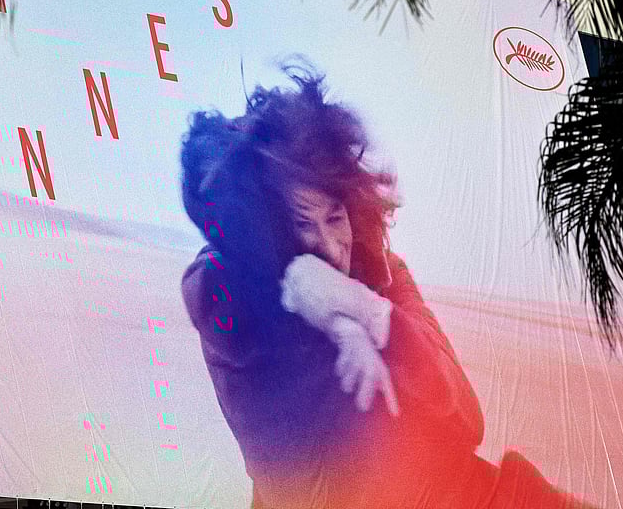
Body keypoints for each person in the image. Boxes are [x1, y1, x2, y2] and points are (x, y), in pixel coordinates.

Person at [178, 67, 597, 509]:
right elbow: (216, 271)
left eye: (335, 218)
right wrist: (309, 288)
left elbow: (467, 418)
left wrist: (369, 313)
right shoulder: (227, 294)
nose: (328, 246)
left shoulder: (384, 274)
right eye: (302, 223)